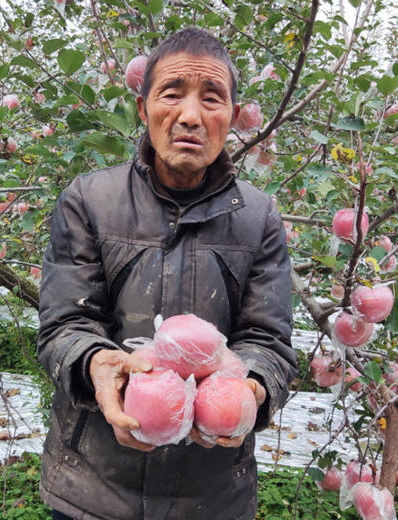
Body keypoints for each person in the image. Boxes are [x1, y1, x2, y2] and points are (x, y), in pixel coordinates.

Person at [37, 27, 298, 520]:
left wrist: (252, 388)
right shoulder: (88, 201)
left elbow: (269, 340)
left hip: (211, 496)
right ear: (143, 109)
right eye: (172, 94)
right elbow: (63, 325)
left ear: (235, 118)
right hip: (92, 493)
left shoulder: (259, 217)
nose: (191, 116)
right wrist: (96, 365)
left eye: (212, 98)